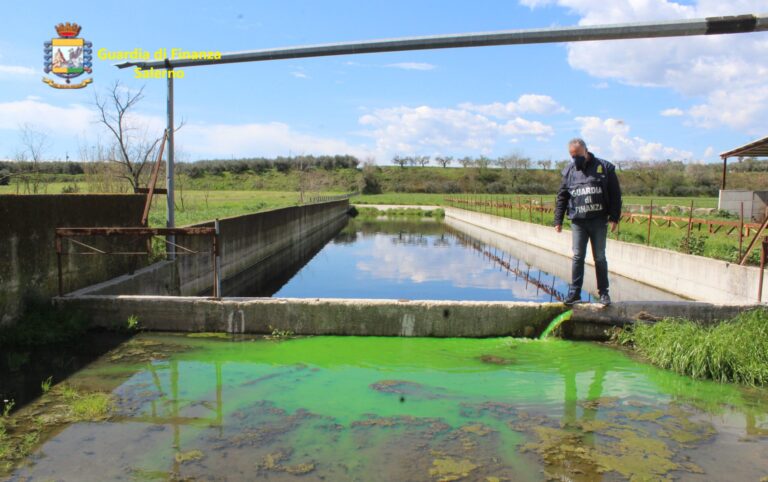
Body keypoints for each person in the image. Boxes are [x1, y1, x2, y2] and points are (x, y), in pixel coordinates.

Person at [553, 138, 622, 306]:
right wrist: (558, 220)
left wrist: (614, 217)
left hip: (598, 221)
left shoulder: (605, 167)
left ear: (586, 151)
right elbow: (562, 196)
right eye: (572, 156)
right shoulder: (569, 171)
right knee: (578, 256)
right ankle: (574, 293)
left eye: (577, 155)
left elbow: (615, 194)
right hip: (578, 222)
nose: (575, 158)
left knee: (599, 257)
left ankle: (603, 293)